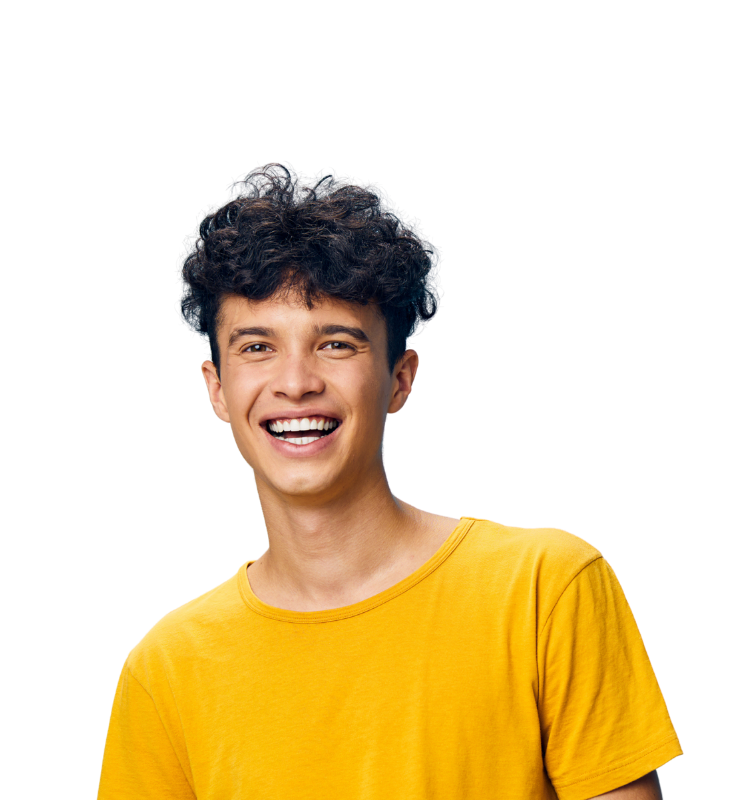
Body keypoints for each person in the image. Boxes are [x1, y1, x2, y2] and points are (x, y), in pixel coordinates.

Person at [97, 162, 682, 799]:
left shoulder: (545, 589)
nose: (295, 382)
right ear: (215, 388)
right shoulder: (166, 666)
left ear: (400, 378)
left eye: (337, 344)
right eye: (257, 347)